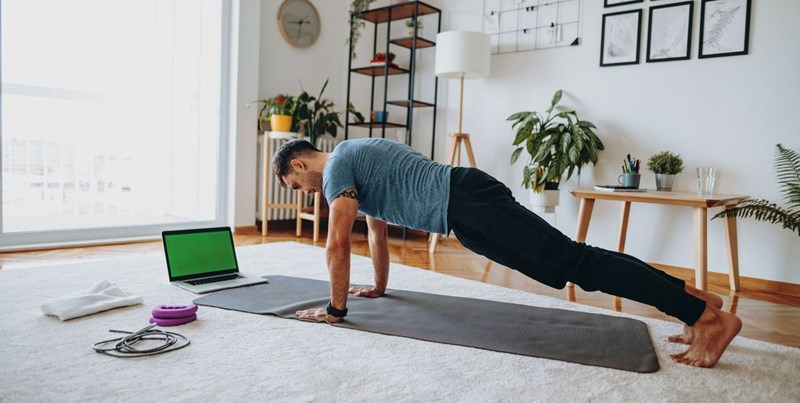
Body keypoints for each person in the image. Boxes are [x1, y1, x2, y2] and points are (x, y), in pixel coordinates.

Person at [273, 137, 742, 368]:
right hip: (465, 207)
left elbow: (337, 244)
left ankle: (706, 320)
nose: (307, 192)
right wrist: (378, 287)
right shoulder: (355, 155)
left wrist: (336, 311)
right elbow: (375, 234)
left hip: (467, 204)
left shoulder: (336, 169)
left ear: (299, 163)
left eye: (297, 185)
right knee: (575, 260)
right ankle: (697, 302)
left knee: (576, 262)